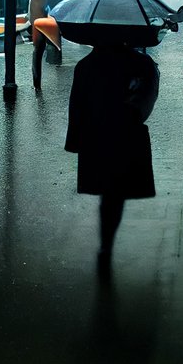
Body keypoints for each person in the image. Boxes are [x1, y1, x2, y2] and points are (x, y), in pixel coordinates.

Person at [64, 42, 160, 282]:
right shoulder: (141, 63)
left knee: (108, 193)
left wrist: (74, 140)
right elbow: (147, 99)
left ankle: (105, 245)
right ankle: (106, 245)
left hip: (96, 135)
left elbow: (76, 107)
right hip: (125, 134)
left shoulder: (85, 66)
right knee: (114, 194)